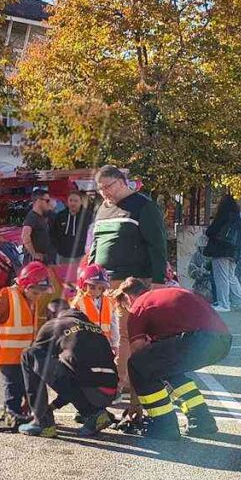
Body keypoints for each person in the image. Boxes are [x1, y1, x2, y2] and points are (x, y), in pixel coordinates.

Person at [112, 278, 231, 441]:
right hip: (221, 340)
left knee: (138, 365)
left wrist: (135, 405)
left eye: (125, 306)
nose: (127, 311)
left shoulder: (138, 307)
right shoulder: (163, 295)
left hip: (196, 338)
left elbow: (138, 358)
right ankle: (202, 420)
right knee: (164, 369)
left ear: (128, 298)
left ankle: (164, 426)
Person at [86, 165, 168, 393]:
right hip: (103, 282)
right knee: (104, 335)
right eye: (100, 189)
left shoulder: (144, 206)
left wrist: (158, 280)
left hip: (132, 281)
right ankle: (115, 381)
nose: (105, 193)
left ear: (122, 182)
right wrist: (89, 274)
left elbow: (157, 245)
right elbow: (95, 244)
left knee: (127, 335)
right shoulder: (103, 208)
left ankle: (128, 383)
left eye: (108, 187)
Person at [18, 299, 119, 438]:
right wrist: (53, 406)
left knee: (29, 355)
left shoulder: (53, 325)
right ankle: (97, 413)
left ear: (51, 314)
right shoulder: (93, 327)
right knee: (73, 366)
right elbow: (73, 372)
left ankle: (42, 423)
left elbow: (38, 366)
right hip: (110, 391)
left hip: (91, 390)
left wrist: (31, 404)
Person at [0, 261, 54, 431]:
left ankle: (14, 411)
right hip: (8, 353)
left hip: (24, 355)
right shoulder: (7, 295)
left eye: (40, 293)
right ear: (24, 285)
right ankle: (12, 413)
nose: (37, 296)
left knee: (22, 385)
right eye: (35, 292)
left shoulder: (30, 299)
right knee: (12, 385)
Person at [204, 195, 241, 313]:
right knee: (231, 277)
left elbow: (211, 231)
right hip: (233, 252)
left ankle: (224, 304)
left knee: (221, 277)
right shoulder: (237, 218)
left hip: (220, 250)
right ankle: (240, 301)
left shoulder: (223, 215)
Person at [70, 264, 114, 338]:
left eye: (100, 288)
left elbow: (113, 324)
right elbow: (73, 324)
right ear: (83, 286)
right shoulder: (78, 302)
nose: (96, 292)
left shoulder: (109, 302)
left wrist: (114, 344)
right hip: (85, 341)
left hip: (104, 343)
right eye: (92, 287)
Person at [52, 190, 93, 267]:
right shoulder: (60, 216)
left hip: (81, 256)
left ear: (81, 202)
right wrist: (58, 249)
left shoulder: (87, 216)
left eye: (76, 201)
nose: (73, 203)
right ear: (67, 202)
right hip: (63, 256)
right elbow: (54, 234)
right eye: (70, 200)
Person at [22, 189, 54, 264]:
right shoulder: (32, 217)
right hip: (34, 262)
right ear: (39, 201)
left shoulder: (41, 216)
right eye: (47, 201)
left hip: (43, 260)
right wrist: (34, 254)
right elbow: (25, 235)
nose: (49, 204)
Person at [187, 234, 213, 301]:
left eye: (205, 247)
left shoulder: (213, 256)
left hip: (210, 284)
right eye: (201, 247)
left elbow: (217, 272)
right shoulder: (196, 255)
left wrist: (207, 272)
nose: (203, 249)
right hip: (198, 283)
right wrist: (196, 272)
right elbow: (190, 268)